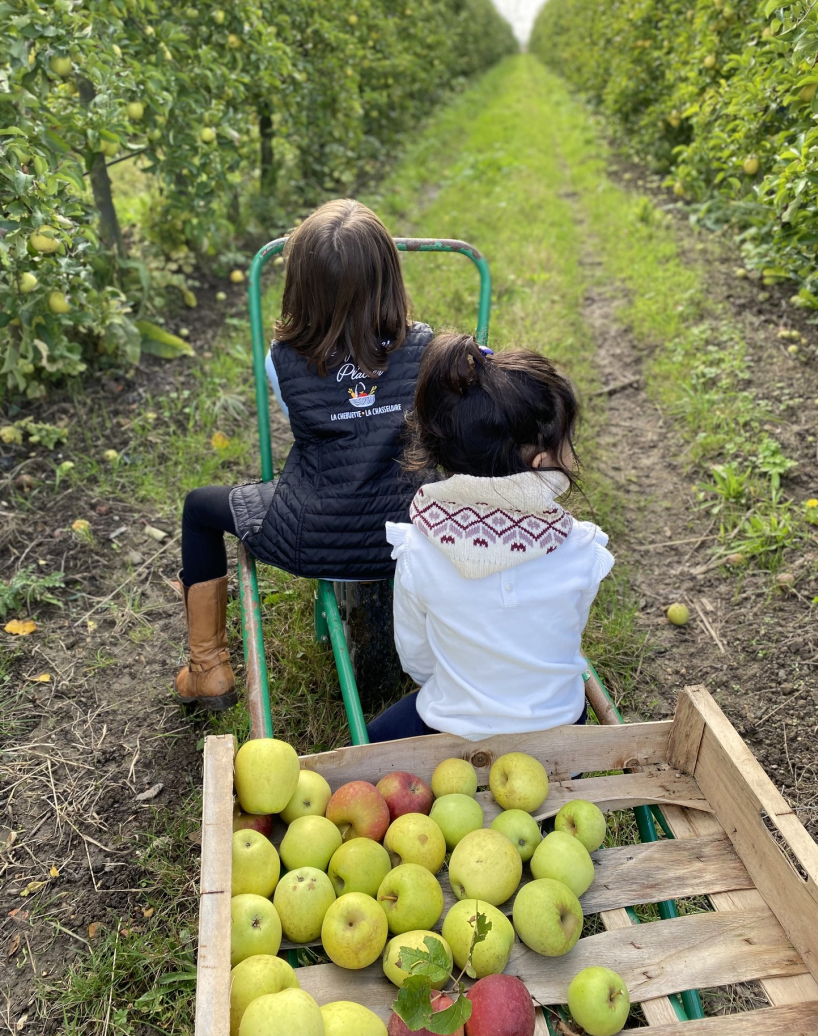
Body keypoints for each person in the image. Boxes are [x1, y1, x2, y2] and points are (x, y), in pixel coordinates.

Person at [173, 199, 432, 709]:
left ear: (299, 284)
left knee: (198, 507)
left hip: (314, 535)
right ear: (389, 274)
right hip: (416, 535)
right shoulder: (426, 349)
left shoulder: (282, 361)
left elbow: (306, 426)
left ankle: (209, 669)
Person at [366, 333, 614, 743]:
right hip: (560, 729)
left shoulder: (419, 550)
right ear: (540, 463)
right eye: (567, 442)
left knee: (371, 741)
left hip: (452, 727)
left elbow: (417, 660)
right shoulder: (581, 550)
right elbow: (568, 635)